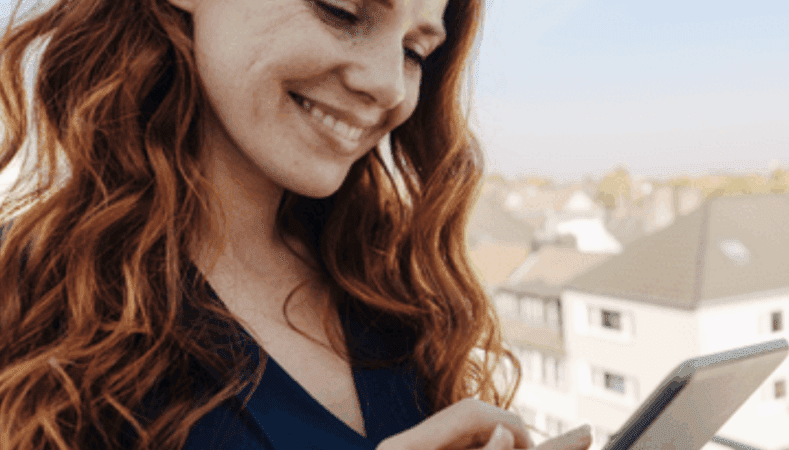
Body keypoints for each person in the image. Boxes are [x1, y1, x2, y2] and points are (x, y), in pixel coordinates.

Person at [0, 0, 593, 449]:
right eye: (343, 10)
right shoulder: (24, 302)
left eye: (415, 52)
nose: (388, 85)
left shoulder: (391, 285)